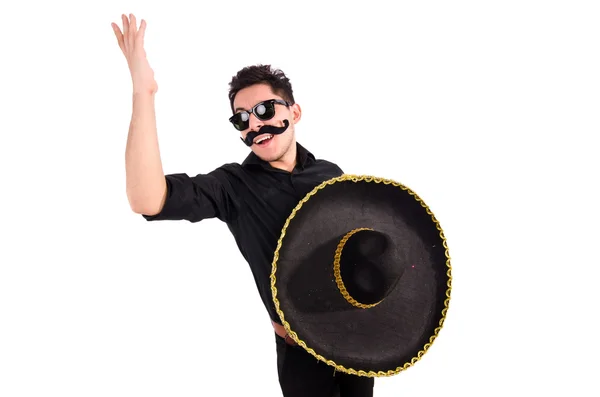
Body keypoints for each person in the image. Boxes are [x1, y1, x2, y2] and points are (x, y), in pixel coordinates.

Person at [111, 13, 375, 397]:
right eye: (241, 119)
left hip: (358, 339)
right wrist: (143, 93)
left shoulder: (330, 175)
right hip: (300, 353)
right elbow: (145, 198)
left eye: (265, 110)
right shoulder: (234, 186)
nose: (254, 124)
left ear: (294, 113)